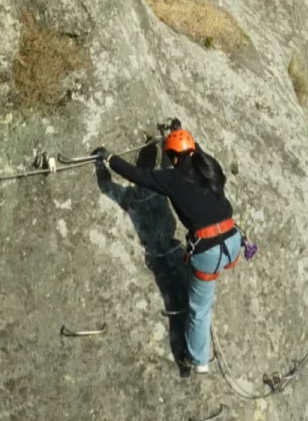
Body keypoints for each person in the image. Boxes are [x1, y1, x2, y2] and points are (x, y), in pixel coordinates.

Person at [97, 126, 242, 374]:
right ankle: (199, 349)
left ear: (173, 157)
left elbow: (136, 175)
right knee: (203, 296)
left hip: (208, 250)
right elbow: (195, 152)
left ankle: (198, 361)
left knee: (199, 309)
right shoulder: (208, 167)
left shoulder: (173, 179)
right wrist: (177, 129)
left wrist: (108, 159)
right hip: (232, 240)